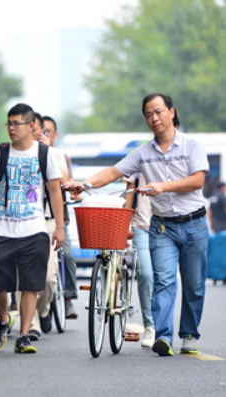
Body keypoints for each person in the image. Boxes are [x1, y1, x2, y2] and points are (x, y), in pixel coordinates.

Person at [66, 93, 209, 357]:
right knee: (163, 280)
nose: (154, 118)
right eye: (148, 114)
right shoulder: (142, 153)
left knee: (194, 285)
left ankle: (189, 333)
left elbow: (197, 180)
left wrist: (163, 186)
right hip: (162, 227)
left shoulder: (192, 146)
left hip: (194, 224)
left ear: (172, 112)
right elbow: (112, 172)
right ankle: (163, 337)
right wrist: (83, 184)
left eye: (158, 112)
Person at [0, 103, 64, 354]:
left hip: (34, 228)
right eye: (8, 123)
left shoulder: (45, 154)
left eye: (16, 123)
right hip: (1, 229)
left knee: (31, 284)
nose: (11, 128)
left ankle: (24, 334)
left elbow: (54, 190)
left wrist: (59, 227)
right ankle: (4, 319)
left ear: (31, 126)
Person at [27, 113, 70, 341]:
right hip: (22, 221)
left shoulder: (54, 154)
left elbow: (63, 183)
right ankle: (31, 323)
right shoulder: (12, 154)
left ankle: (44, 309)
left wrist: (46, 155)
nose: (35, 134)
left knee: (48, 277)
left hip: (48, 220)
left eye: (39, 130)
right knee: (23, 276)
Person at [43, 115, 79, 319]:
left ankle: (68, 298)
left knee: (67, 255)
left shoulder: (59, 155)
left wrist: (49, 152)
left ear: (55, 135)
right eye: (41, 131)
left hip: (58, 217)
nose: (44, 135)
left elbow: (66, 181)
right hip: (35, 217)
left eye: (48, 132)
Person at [124, 173, 155, 348]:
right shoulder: (138, 165)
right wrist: (124, 227)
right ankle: (150, 326)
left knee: (163, 278)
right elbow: (128, 199)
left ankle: (164, 328)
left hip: (168, 227)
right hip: (141, 227)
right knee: (145, 274)